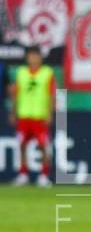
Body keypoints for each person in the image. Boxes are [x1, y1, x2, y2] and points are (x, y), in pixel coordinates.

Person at [11, 46, 55, 186]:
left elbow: (52, 95)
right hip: (24, 115)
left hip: (39, 116)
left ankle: (44, 175)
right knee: (22, 145)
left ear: (40, 57)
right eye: (31, 56)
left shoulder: (47, 73)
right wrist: (13, 112)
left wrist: (50, 113)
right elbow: (16, 94)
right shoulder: (21, 73)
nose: (33, 58)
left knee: (43, 146)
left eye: (36, 55)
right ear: (27, 58)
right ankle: (23, 174)